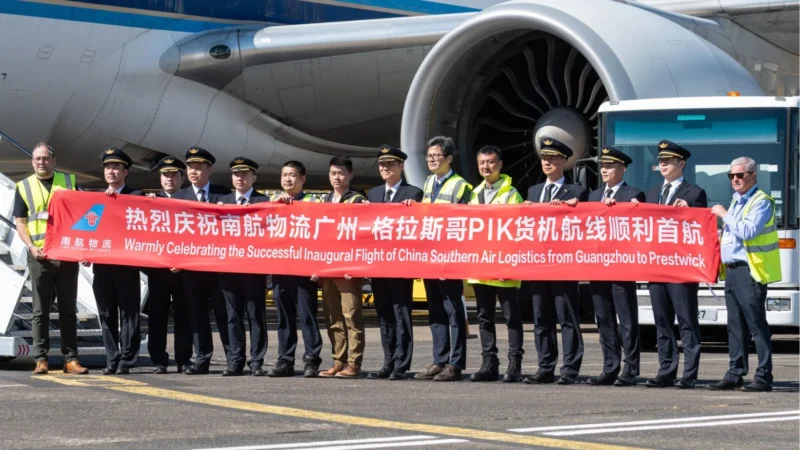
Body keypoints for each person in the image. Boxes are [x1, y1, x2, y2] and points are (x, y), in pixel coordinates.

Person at [13, 142, 88, 375]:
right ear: (32, 161)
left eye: (45, 158)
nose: (41, 162)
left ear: (53, 160)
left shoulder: (69, 181)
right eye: (37, 159)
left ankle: (71, 358)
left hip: (65, 255)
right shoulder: (23, 186)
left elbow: (86, 212)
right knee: (40, 311)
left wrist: (84, 248)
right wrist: (30, 247)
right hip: (39, 256)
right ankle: (41, 359)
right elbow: (20, 223)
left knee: (68, 310)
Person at [637, 140, 707, 389]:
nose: (663, 164)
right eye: (661, 161)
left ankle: (689, 373)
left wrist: (690, 211)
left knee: (686, 320)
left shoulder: (694, 193)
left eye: (668, 161)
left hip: (681, 268)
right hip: (657, 267)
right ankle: (666, 370)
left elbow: (701, 228)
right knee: (662, 321)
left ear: (682, 163)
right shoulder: (652, 193)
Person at [708, 156, 780, 392]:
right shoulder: (736, 201)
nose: (735, 179)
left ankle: (764, 376)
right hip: (732, 271)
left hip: (750, 271)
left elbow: (749, 231)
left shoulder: (761, 201)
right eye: (732, 175)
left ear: (753, 176)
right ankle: (735, 372)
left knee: (756, 324)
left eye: (740, 175)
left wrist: (724, 215)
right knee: (735, 325)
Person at [523, 136, 588, 385]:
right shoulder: (533, 191)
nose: (547, 162)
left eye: (552, 158)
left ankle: (570, 368)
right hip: (538, 263)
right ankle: (545, 366)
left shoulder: (576, 192)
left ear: (564, 161)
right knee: (541, 318)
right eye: (544, 158)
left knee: (566, 317)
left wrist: (575, 207)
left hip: (563, 264)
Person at [411, 136, 472, 382]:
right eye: (429, 156)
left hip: (449, 258)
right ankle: (439, 359)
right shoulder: (428, 183)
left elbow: (464, 225)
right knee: (435, 310)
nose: (432, 160)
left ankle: (455, 364)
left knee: (453, 311)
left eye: (436, 156)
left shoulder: (461, 186)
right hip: (430, 258)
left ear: (449, 158)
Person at [585, 146, 645, 386]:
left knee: (626, 319)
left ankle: (630, 369)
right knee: (604, 318)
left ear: (623, 169)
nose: (605, 170)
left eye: (610, 166)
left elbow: (638, 227)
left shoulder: (634, 194)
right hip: (597, 265)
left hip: (621, 265)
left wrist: (622, 207)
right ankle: (610, 367)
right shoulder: (593, 195)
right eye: (603, 166)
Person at [466, 145, 525, 383]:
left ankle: (514, 363)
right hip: (481, 266)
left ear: (500, 164)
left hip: (504, 266)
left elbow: (516, 231)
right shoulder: (475, 193)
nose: (486, 167)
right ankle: (489, 363)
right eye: (482, 162)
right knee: (484, 317)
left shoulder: (512, 193)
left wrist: (506, 264)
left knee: (511, 318)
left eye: (490, 162)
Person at [172, 146, 232, 375]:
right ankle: (202, 359)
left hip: (218, 267)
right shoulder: (179, 197)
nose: (193, 172)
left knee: (224, 315)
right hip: (191, 268)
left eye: (198, 168)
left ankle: (233, 358)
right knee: (197, 315)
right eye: (190, 168)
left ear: (210, 170)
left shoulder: (224, 195)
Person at [365, 145, 423, 381]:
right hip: (379, 265)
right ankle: (388, 361)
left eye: (390, 164)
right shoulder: (373, 194)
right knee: (384, 315)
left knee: (402, 314)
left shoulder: (413, 193)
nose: (385, 168)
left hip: (400, 265)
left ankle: (401, 363)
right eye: (382, 164)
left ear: (401, 166)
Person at [91, 148, 144, 375]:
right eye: (107, 167)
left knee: (129, 315)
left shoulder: (137, 195)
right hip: (102, 267)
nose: (111, 171)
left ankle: (127, 360)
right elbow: (88, 229)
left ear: (125, 172)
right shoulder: (96, 199)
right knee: (106, 315)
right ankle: (111, 359)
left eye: (116, 167)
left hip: (127, 267)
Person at [268, 161, 324, 377]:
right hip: (280, 269)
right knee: (284, 318)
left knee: (307, 316)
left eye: (292, 175)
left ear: (302, 178)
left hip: (304, 271)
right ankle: (285, 360)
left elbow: (322, 236)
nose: (287, 179)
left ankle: (312, 360)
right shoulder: (273, 202)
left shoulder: (314, 203)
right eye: (284, 175)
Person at [315, 156, 367, 379]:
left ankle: (354, 362)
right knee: (332, 315)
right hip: (328, 266)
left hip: (348, 266)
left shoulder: (357, 200)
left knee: (351, 315)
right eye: (333, 173)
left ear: (350, 175)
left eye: (341, 173)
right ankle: (339, 359)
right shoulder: (325, 200)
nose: (336, 177)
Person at [218, 157, 269, 377]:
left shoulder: (263, 201)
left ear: (253, 177)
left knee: (255, 316)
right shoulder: (222, 201)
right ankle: (235, 360)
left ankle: (256, 361)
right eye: (236, 174)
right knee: (232, 316)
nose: (240, 178)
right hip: (228, 268)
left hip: (253, 269)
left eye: (244, 174)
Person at [145, 156, 192, 374]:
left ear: (182, 178)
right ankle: (159, 360)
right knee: (157, 316)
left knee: (184, 316)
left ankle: (184, 359)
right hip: (159, 271)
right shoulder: (150, 202)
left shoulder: (192, 201)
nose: (169, 178)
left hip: (185, 270)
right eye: (165, 175)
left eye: (174, 174)